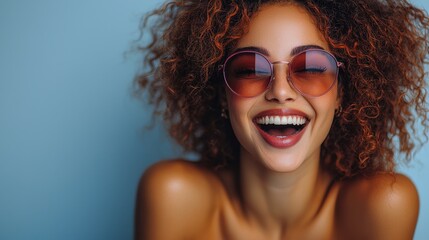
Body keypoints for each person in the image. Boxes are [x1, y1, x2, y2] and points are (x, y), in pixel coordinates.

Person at [134, 0, 429, 239]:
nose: (280, 91)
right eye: (250, 69)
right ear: (223, 95)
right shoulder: (173, 196)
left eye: (311, 68)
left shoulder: (381, 206)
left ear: (342, 94)